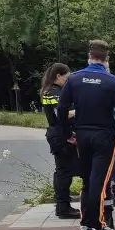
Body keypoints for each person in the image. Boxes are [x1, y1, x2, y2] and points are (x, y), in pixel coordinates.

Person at [56, 40, 115, 230]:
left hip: (82, 134)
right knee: (100, 180)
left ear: (89, 57)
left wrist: (67, 133)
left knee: (87, 180)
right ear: (106, 60)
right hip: (105, 136)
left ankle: (85, 225)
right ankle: (98, 226)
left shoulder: (74, 79)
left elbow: (62, 109)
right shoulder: (112, 81)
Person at [39, 63, 80, 220]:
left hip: (61, 135)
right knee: (64, 172)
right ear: (58, 76)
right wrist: (82, 109)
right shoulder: (53, 92)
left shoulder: (53, 90)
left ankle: (63, 206)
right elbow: (61, 114)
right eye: (67, 77)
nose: (68, 81)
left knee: (65, 171)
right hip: (61, 136)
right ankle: (63, 207)